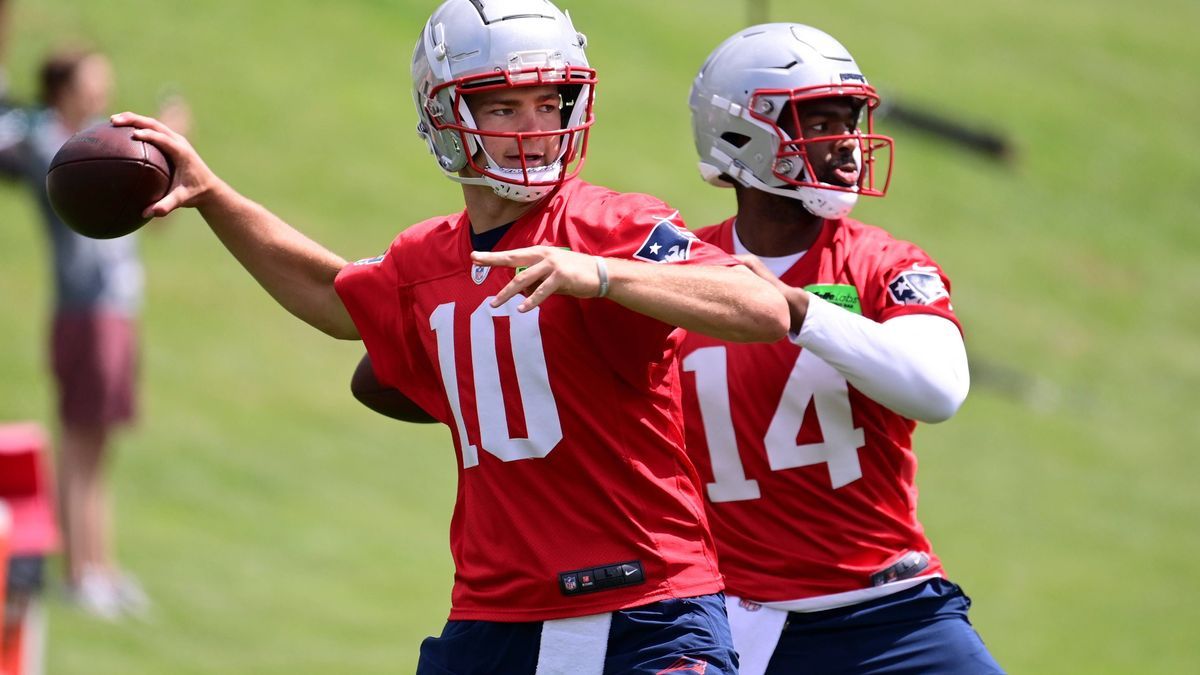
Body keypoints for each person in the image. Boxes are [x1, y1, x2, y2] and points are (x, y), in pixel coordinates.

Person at [113, 0, 789, 671]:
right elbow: (329, 293)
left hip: (650, 610)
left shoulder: (611, 226)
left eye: (550, 104)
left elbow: (763, 307)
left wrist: (603, 274)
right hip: (495, 618)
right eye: (504, 107)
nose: (536, 127)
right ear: (446, 116)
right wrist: (211, 195)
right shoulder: (424, 260)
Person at [676, 24, 1005, 674]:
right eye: (819, 123)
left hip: (891, 611)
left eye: (849, 120)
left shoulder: (885, 264)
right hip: (738, 624)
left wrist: (798, 309)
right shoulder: (679, 269)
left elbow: (938, 388)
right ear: (745, 136)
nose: (849, 143)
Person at [0, 47, 186, 620]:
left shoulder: (95, 143)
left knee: (100, 447)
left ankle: (100, 568)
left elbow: (155, 216)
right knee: (80, 445)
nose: (103, 91)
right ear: (63, 90)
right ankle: (78, 574)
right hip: (83, 313)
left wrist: (171, 158)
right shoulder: (52, 147)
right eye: (91, 81)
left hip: (115, 310)